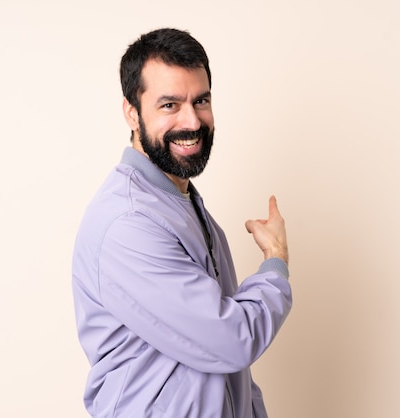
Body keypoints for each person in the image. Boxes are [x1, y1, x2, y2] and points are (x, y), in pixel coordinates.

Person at [72, 28, 292, 418]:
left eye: (201, 100)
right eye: (170, 105)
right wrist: (275, 262)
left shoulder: (182, 204)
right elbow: (230, 340)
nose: (192, 120)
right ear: (131, 112)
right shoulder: (130, 222)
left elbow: (229, 373)